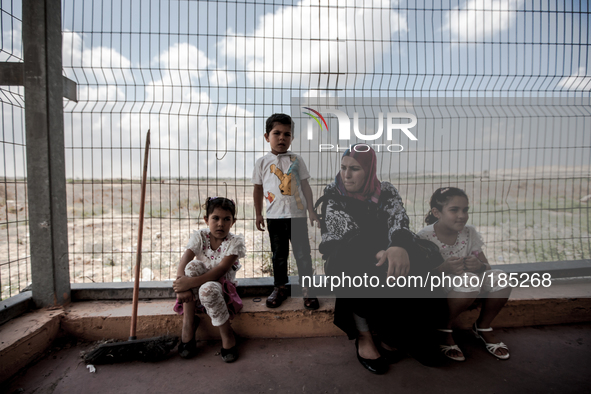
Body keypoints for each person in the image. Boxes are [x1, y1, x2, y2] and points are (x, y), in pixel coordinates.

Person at [316, 144, 444, 375]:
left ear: (369, 169)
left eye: (354, 168)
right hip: (346, 254)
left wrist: (398, 245)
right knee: (357, 271)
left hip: (388, 249)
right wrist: (378, 252)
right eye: (343, 167)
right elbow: (343, 232)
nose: (346, 174)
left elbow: (399, 219)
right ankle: (364, 336)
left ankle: (402, 334)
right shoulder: (333, 193)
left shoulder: (385, 190)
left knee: (417, 266)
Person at [417, 187, 511, 361]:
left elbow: (487, 267)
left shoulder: (469, 232)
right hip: (439, 286)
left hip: (469, 283)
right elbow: (421, 276)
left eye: (465, 209)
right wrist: (443, 268)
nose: (462, 215)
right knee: (469, 280)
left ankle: (482, 327)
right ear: (437, 212)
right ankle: (444, 328)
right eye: (454, 210)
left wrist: (479, 266)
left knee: (502, 278)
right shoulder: (425, 236)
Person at [252, 113, 320, 310]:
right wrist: (258, 214)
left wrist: (312, 211)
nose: (282, 138)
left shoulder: (297, 160)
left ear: (292, 137)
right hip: (274, 218)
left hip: (297, 217)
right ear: (267, 137)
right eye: (277, 133)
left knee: (303, 255)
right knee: (278, 255)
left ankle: (308, 290)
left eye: (287, 134)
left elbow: (306, 186)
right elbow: (257, 189)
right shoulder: (262, 162)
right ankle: (280, 288)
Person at [172, 197, 246, 363]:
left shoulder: (234, 242)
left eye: (227, 219)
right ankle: (188, 324)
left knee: (207, 290)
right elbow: (184, 261)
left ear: (233, 222)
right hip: (195, 287)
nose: (221, 224)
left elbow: (219, 271)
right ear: (206, 219)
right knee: (191, 267)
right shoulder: (200, 236)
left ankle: (227, 334)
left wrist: (188, 284)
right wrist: (180, 286)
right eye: (216, 218)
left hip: (221, 288)